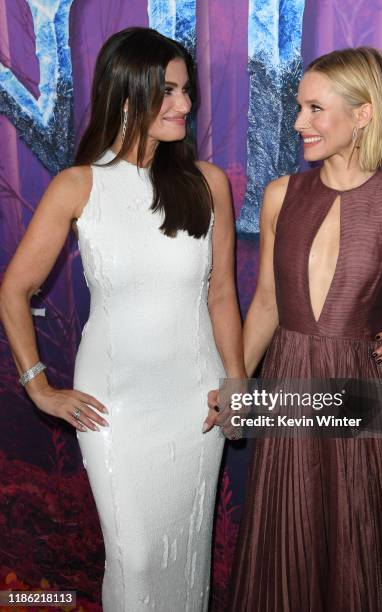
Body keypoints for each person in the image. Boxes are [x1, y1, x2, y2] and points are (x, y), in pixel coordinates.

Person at [0, 27, 245, 612]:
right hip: (115, 400)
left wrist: (235, 382)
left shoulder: (208, 185)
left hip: (195, 398)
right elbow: (14, 289)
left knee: (186, 552)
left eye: (187, 90)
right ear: (126, 94)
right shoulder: (78, 186)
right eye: (169, 91)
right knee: (133, 557)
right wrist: (38, 386)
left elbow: (222, 294)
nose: (185, 104)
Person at [222, 47, 382, 610]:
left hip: (366, 395)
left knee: (364, 539)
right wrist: (235, 381)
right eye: (298, 107)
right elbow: (265, 303)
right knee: (289, 534)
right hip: (288, 382)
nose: (297, 122)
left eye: (315, 108)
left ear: (364, 114)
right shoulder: (280, 195)